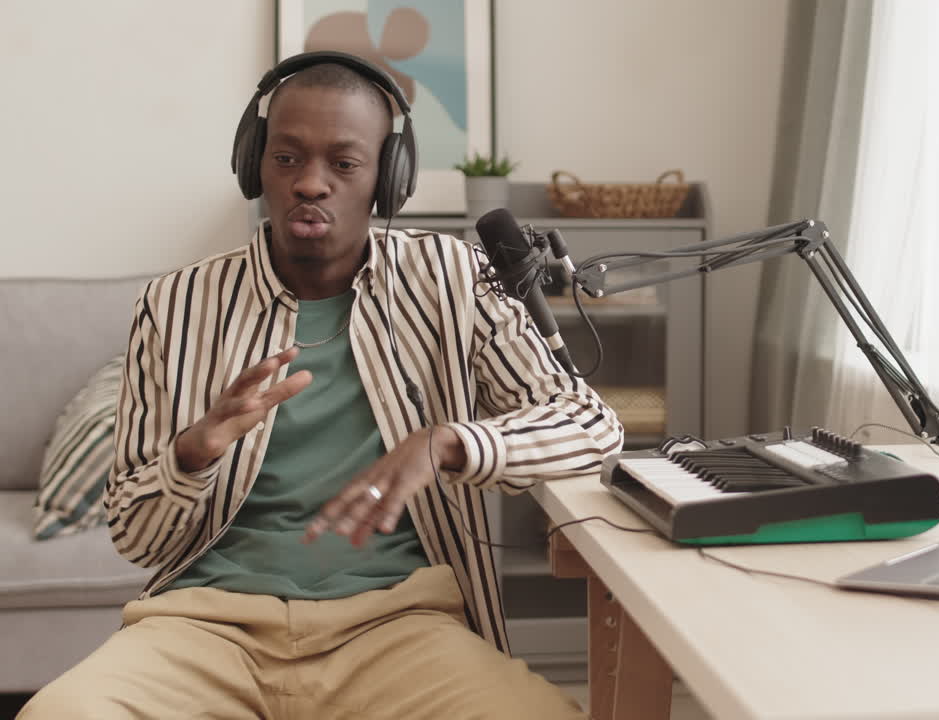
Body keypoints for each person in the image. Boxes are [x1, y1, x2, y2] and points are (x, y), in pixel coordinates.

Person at [20, 52, 622, 719]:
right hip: (205, 626)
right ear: (255, 165)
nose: (310, 182)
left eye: (343, 163)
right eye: (286, 159)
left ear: (387, 180)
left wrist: (449, 443)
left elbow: (590, 423)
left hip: (397, 624)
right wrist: (192, 456)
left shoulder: (452, 279)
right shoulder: (175, 304)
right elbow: (137, 538)